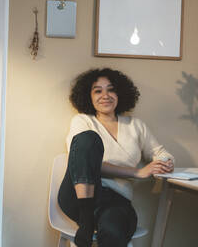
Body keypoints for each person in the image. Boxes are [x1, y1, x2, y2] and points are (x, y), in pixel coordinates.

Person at [58, 68, 175, 247]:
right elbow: (85, 162)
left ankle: (90, 223)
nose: (105, 95)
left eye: (111, 89)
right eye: (98, 90)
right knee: (87, 138)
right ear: (88, 96)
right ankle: (87, 219)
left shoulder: (136, 126)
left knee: (113, 231)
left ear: (119, 93)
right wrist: (137, 172)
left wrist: (165, 163)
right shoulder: (82, 121)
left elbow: (162, 153)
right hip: (77, 197)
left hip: (115, 200)